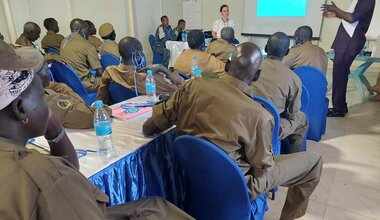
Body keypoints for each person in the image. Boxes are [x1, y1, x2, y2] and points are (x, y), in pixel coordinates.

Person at [0, 39, 194, 220]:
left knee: (154, 205)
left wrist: (54, 128)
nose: (46, 103)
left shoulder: (110, 73)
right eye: (42, 97)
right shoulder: (47, 177)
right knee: (159, 209)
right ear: (20, 108)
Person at [143, 42, 322, 220]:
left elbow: (150, 126)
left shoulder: (192, 87)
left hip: (195, 174)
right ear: (257, 76)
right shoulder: (259, 116)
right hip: (239, 187)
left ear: (227, 66)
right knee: (314, 162)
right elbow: (263, 168)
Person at [251, 32, 308, 153]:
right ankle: (292, 158)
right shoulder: (293, 78)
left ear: (266, 48)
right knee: (302, 119)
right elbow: (292, 114)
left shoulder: (251, 67)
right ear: (287, 52)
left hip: (245, 120)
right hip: (270, 128)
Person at [321, 0, 375, 117]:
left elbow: (352, 18)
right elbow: (351, 19)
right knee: (341, 75)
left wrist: (336, 9)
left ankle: (338, 108)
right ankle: (340, 106)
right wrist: (336, 14)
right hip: (346, 40)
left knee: (339, 75)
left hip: (349, 41)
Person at [97, 37, 185, 104]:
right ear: (137, 56)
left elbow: (101, 100)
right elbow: (182, 89)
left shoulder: (109, 72)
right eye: (142, 52)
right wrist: (162, 68)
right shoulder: (149, 79)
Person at [60, 18, 103, 92]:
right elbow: (99, 72)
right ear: (80, 29)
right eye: (87, 30)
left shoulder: (64, 41)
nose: (88, 33)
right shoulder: (87, 44)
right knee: (110, 80)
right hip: (84, 84)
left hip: (69, 82)